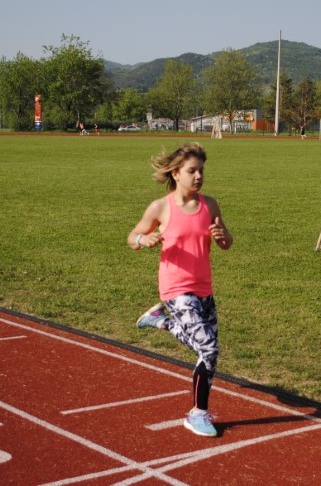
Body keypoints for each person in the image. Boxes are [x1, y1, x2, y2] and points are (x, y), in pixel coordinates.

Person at [128, 142, 233, 437]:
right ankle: (197, 414)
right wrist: (142, 241)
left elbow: (226, 243)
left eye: (201, 170)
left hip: (204, 288)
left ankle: (158, 320)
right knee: (209, 348)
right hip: (175, 288)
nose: (198, 176)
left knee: (207, 352)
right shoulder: (161, 207)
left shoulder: (210, 205)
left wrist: (223, 236)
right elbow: (133, 236)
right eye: (192, 170)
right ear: (175, 173)